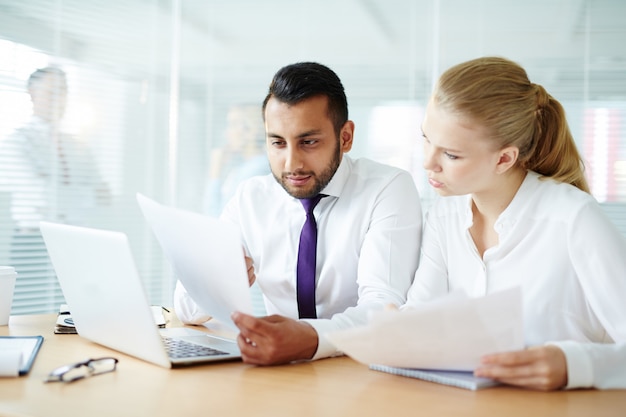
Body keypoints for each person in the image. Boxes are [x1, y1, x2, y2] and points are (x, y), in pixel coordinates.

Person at [175, 62, 423, 365]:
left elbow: (384, 306)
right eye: (277, 142)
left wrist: (310, 338)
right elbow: (186, 309)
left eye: (308, 142)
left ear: (345, 137)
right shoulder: (250, 198)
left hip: (360, 370)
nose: (291, 163)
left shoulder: (387, 189)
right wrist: (219, 280)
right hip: (281, 374)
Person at [404, 56, 626, 390]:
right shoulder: (444, 217)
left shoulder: (574, 219)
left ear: (504, 158)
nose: (427, 163)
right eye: (425, 138)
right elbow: (419, 318)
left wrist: (574, 365)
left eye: (451, 154)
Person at [0, 66, 109, 228]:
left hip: (75, 234)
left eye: (63, 93)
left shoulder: (78, 146)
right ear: (32, 94)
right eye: (52, 93)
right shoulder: (14, 143)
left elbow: (104, 196)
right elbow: (40, 195)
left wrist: (56, 190)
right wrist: (86, 194)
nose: (59, 100)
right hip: (33, 236)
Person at [203, 103, 269, 217]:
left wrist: (215, 171)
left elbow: (216, 218)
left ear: (251, 132)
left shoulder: (253, 171)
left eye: (233, 125)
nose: (227, 133)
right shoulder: (246, 166)